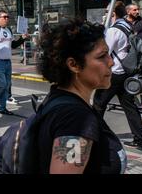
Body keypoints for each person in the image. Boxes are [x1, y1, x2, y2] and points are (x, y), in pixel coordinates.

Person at [36, 18, 127, 173]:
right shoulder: (75, 119)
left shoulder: (60, 100)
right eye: (102, 56)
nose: (111, 62)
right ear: (74, 65)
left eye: (109, 54)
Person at [93, 1, 142, 152]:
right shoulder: (127, 26)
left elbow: (104, 52)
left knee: (98, 105)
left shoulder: (113, 30)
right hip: (127, 72)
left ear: (112, 13)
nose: (105, 14)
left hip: (115, 74)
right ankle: (141, 141)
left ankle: (94, 138)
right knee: (130, 107)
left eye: (107, 11)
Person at [0, 10, 28, 115]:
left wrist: (22, 39)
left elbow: (13, 45)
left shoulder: (8, 30)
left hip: (7, 62)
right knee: (1, 84)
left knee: (7, 85)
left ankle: (2, 108)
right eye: (4, 17)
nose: (6, 19)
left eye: (7, 17)